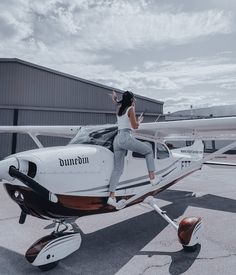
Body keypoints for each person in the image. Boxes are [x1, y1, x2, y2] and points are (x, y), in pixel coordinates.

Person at [107, 90, 159, 207]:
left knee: (118, 169)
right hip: (126, 136)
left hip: (117, 139)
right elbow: (134, 126)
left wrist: (114, 99)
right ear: (131, 99)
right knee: (148, 150)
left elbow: (117, 103)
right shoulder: (130, 108)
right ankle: (152, 178)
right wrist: (139, 121)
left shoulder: (119, 108)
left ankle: (111, 196)